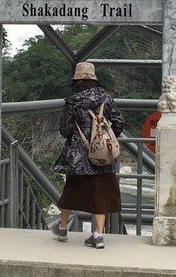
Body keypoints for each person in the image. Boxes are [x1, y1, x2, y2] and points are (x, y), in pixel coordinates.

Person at [51, 62, 125, 249]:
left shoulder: (72, 101)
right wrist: (104, 137)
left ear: (76, 79)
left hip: (78, 156)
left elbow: (65, 130)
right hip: (102, 154)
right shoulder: (105, 97)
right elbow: (119, 121)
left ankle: (61, 228)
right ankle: (98, 235)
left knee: (72, 189)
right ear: (94, 79)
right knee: (101, 192)